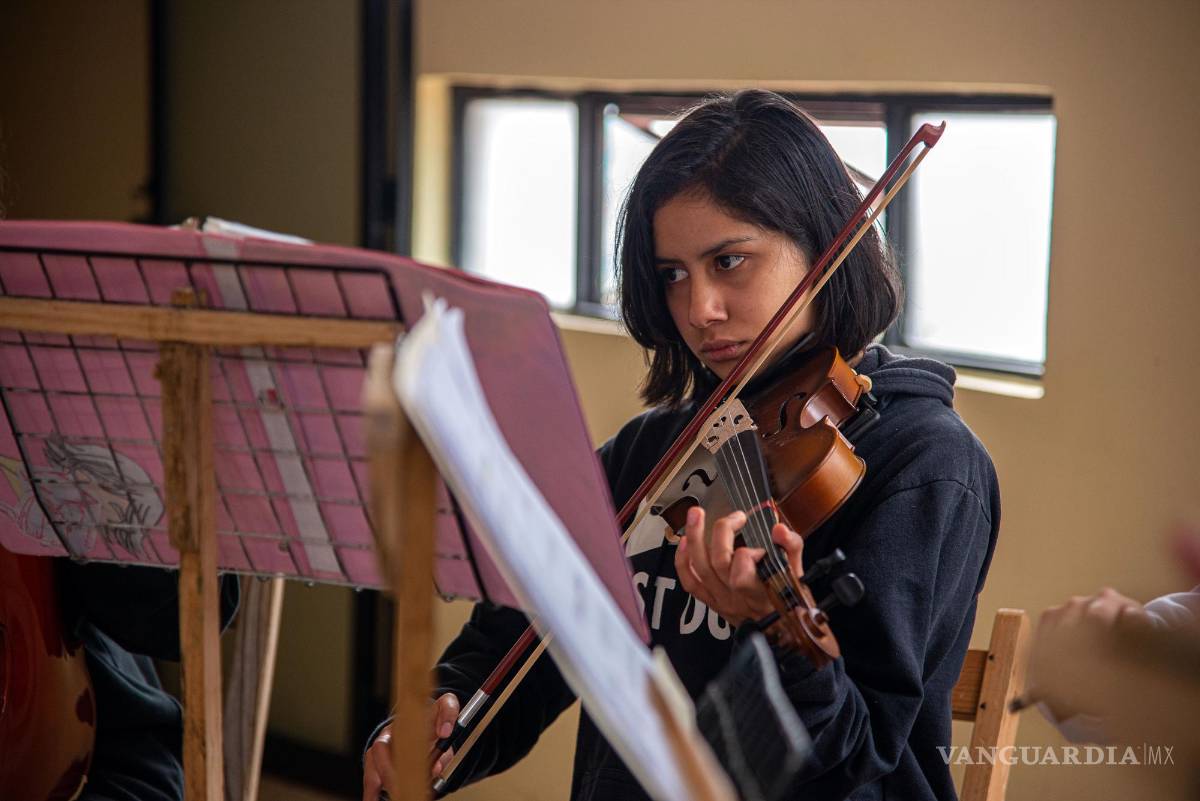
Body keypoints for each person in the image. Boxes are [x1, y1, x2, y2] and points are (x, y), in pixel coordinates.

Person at [364, 89, 999, 801]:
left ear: (825, 247)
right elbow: (517, 648)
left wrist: (772, 625)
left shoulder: (926, 465)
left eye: (730, 261)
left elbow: (858, 760)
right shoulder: (652, 453)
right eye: (673, 275)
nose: (700, 310)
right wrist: (436, 716)